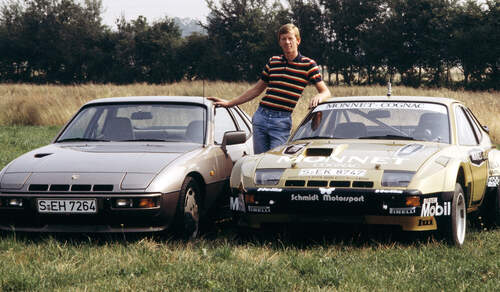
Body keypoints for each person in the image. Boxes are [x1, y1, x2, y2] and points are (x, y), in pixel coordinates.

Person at [209, 23, 331, 154]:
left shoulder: (308, 65)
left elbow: (325, 91)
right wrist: (229, 103)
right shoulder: (273, 61)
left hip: (281, 121)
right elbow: (256, 90)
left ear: (298, 40)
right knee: (259, 161)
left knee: (275, 162)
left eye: (290, 38)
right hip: (261, 117)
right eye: (283, 39)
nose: (287, 42)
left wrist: (319, 96)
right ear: (279, 42)